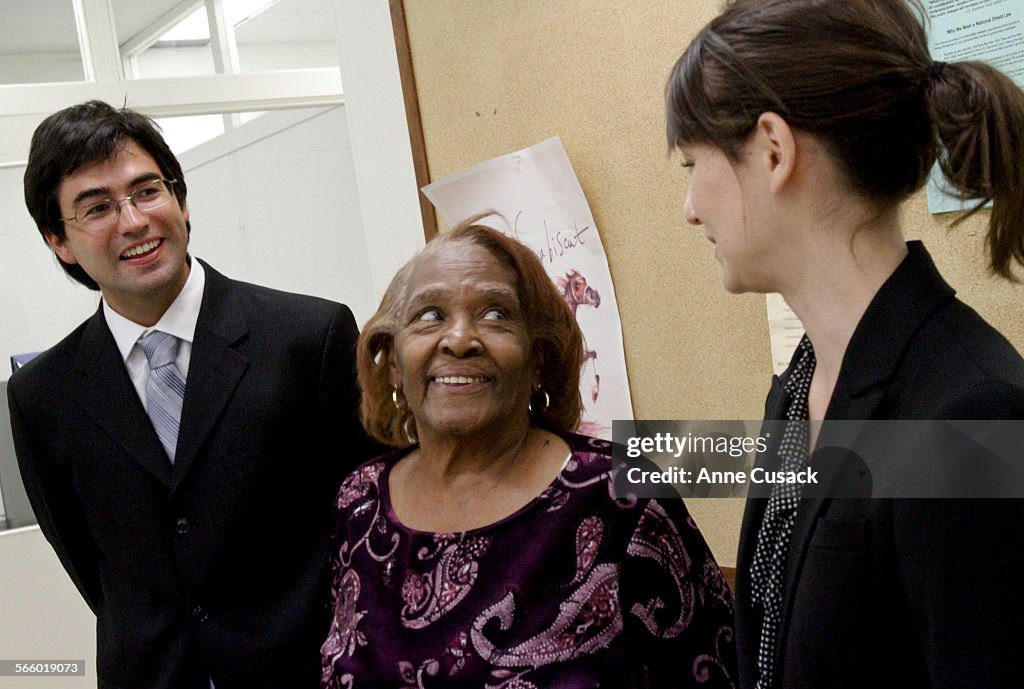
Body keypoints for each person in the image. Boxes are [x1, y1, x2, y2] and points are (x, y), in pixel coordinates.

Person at [665, 1, 1024, 688]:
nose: (690, 207)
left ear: (773, 149)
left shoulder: (974, 417)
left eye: (693, 164)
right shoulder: (799, 383)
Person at [8, 100, 378, 689]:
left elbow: (370, 523)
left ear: (180, 200)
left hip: (312, 672)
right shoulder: (41, 395)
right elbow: (92, 565)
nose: (133, 222)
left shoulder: (308, 338)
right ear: (60, 241)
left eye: (147, 191)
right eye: (98, 207)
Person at [320, 218, 736, 688]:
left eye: (495, 314)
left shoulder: (622, 494)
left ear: (538, 357)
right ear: (393, 361)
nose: (459, 340)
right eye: (430, 315)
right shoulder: (359, 501)